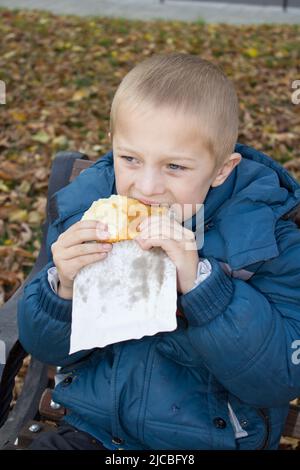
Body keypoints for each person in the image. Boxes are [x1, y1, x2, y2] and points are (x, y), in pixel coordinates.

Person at [18, 53, 300, 450]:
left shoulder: (264, 242)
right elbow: (44, 347)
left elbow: (278, 378)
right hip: (93, 434)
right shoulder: (87, 213)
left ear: (221, 169)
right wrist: (61, 290)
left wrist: (203, 287)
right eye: (130, 159)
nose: (146, 187)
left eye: (175, 168)